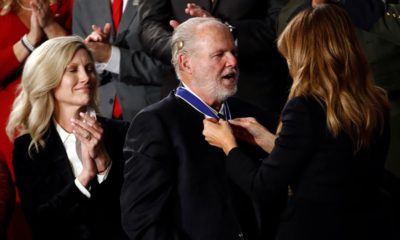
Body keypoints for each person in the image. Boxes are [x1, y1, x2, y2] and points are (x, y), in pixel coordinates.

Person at [203, 5, 393, 240]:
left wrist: (228, 145)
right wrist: (270, 141)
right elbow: (329, 164)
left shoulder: (305, 107)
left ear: (305, 57)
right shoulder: (375, 102)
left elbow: (262, 188)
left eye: (290, 56)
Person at [121, 17, 283, 240]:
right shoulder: (155, 123)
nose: (233, 62)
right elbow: (142, 222)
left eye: (233, 52)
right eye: (219, 55)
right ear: (186, 63)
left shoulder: (254, 118)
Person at [6, 36, 129, 240]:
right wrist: (85, 177)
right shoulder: (29, 148)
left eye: (89, 69)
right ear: (49, 79)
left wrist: (103, 164)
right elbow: (41, 223)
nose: (86, 77)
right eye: (73, 70)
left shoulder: (122, 131)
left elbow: (132, 210)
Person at [138, 0, 290, 123]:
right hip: (186, 96)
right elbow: (149, 26)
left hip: (253, 93)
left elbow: (283, 24)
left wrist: (223, 30)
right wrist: (186, 48)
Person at [72, 0, 175, 122]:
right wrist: (95, 57)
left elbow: (171, 67)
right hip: (101, 118)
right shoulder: (83, 3)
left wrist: (111, 56)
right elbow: (77, 68)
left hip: (150, 116)